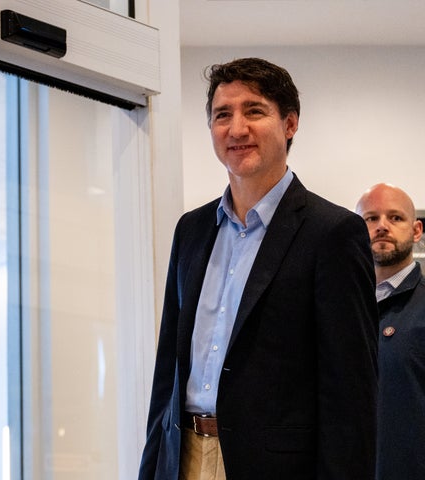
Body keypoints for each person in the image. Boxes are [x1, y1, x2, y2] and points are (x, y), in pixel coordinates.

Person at [138, 57, 378, 480]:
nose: (236, 129)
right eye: (222, 115)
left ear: (289, 124)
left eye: (254, 111)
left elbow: (351, 398)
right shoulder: (191, 230)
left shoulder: (333, 233)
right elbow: (167, 378)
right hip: (183, 459)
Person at [355, 183, 425, 480]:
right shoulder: (336, 306)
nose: (382, 226)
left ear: (417, 230)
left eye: (395, 217)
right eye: (371, 218)